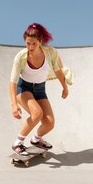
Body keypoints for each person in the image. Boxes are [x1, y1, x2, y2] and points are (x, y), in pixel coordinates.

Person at [9, 23, 70, 156]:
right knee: (37, 114)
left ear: (40, 42)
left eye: (34, 44)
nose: (30, 47)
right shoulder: (21, 57)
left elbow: (58, 70)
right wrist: (14, 105)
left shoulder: (50, 52)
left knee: (49, 123)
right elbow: (12, 83)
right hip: (23, 88)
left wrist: (64, 87)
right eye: (27, 43)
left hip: (40, 89)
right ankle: (18, 143)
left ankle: (36, 139)